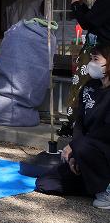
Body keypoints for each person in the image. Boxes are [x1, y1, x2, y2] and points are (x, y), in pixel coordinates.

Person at [36, 44, 110, 209]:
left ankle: (104, 187)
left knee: (83, 146)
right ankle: (96, 186)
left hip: (103, 150)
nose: (92, 63)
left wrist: (77, 147)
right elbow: (80, 123)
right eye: (91, 59)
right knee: (45, 183)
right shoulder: (89, 87)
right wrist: (75, 153)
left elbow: (105, 131)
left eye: (96, 59)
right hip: (86, 151)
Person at [61, 0, 110, 137]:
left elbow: (88, 21)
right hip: (97, 52)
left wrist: (75, 2)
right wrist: (80, 5)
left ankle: (78, 125)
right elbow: (91, 18)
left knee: (86, 87)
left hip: (102, 53)